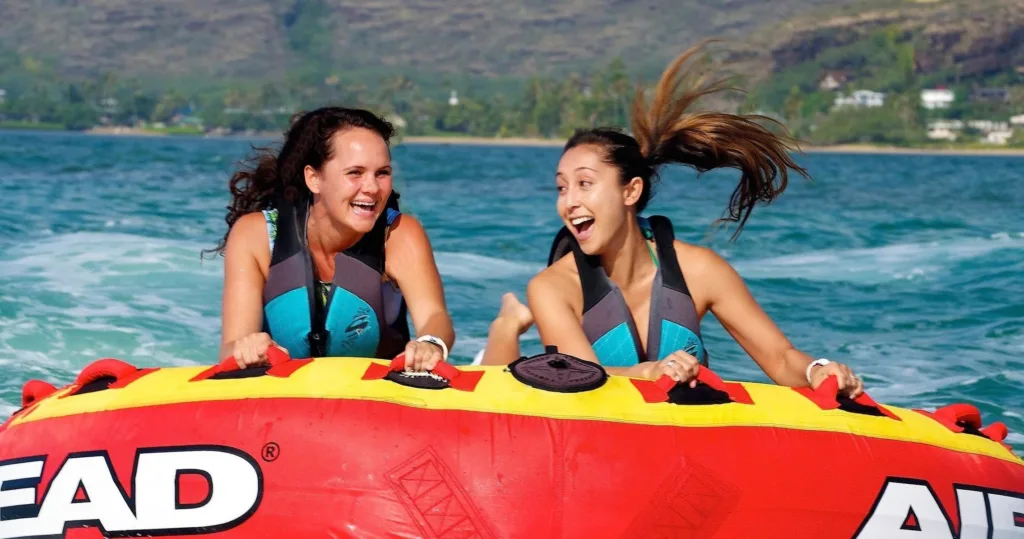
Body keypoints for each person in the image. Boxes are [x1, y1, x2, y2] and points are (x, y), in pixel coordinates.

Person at [482, 43, 863, 397]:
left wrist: (818, 370)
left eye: (584, 184)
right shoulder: (553, 288)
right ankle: (506, 326)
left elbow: (780, 358)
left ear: (630, 192)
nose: (570, 202)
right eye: (562, 188)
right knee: (507, 378)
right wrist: (647, 373)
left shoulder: (700, 270)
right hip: (595, 428)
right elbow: (582, 377)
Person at [208, 107, 454, 371]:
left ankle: (505, 327)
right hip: (285, 398)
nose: (372, 188)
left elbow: (434, 316)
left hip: (375, 398)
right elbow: (230, 346)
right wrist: (246, 349)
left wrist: (430, 343)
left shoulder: (399, 235)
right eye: (355, 173)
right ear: (314, 179)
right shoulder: (254, 237)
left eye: (382, 173)